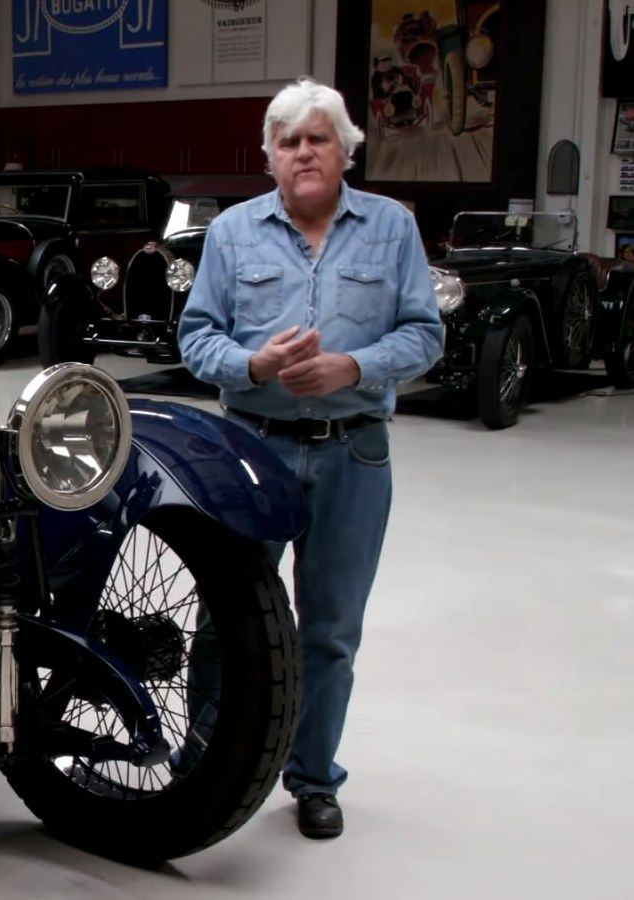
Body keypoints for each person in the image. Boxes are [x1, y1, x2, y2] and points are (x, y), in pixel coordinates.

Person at [177, 78, 444, 840]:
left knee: (329, 630)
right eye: (288, 141)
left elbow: (425, 335)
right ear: (269, 156)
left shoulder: (392, 229)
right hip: (250, 450)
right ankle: (205, 759)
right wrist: (254, 365)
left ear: (345, 150)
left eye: (317, 138)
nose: (302, 153)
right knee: (223, 619)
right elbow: (196, 340)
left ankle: (314, 779)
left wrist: (351, 369)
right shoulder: (232, 233)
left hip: (353, 454)